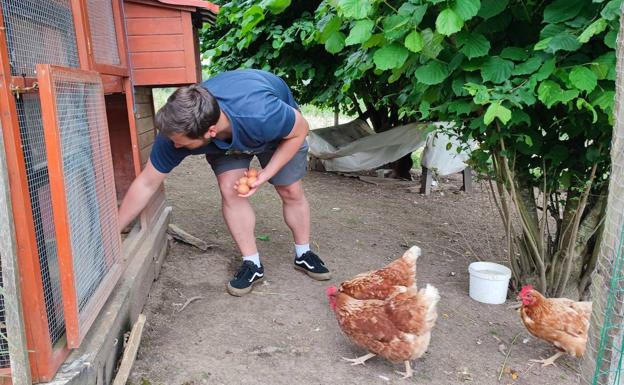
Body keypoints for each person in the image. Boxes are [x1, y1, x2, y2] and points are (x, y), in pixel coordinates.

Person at [117, 69, 331, 296]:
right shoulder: (174, 132)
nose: (175, 147)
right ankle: (252, 263)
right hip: (227, 136)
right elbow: (146, 184)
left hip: (275, 133)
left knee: (290, 189)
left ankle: (304, 253)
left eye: (181, 143)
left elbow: (300, 130)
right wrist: (114, 233)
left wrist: (266, 174)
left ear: (210, 131)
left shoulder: (261, 113)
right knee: (231, 190)